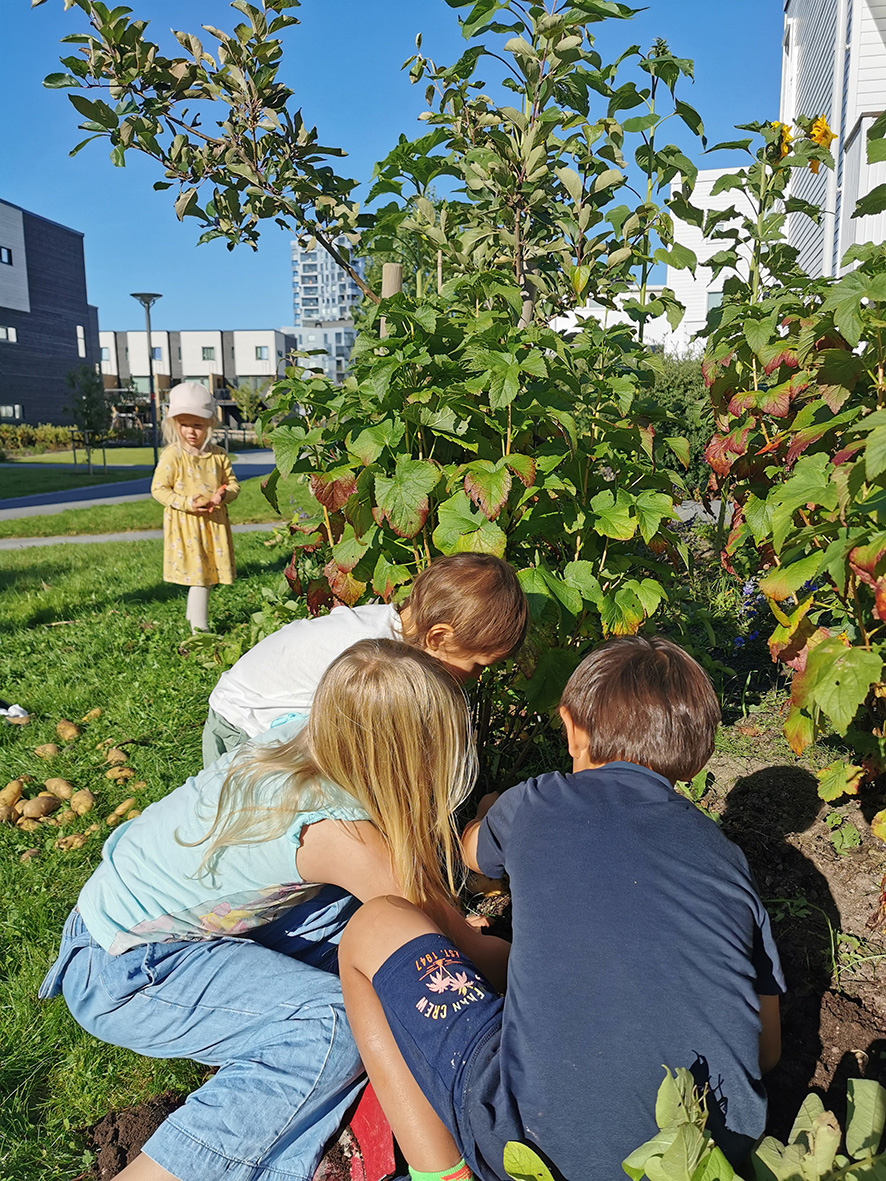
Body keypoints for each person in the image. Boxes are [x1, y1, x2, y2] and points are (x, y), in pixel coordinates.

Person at [39, 639, 510, 1181]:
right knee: (333, 1023)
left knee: (361, 932)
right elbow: (459, 952)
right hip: (125, 968)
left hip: (122, 918)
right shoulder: (342, 838)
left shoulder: (305, 737)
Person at [338, 635, 784, 1181]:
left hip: (536, 1145)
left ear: (572, 726)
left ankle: (444, 1172)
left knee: (373, 925)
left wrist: (491, 812)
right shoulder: (728, 860)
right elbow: (765, 1051)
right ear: (693, 758)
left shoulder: (536, 801)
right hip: (706, 1152)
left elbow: (471, 852)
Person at [202, 552, 529, 768]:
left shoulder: (400, 636)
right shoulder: (375, 656)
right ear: (438, 638)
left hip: (284, 718)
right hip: (245, 725)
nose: (477, 677)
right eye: (478, 666)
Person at [150, 381, 239, 634]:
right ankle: (200, 629)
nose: (191, 431)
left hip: (213, 526)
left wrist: (222, 497)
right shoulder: (173, 455)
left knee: (206, 576)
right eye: (184, 425)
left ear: (209, 425)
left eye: (198, 425)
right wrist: (186, 502)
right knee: (200, 578)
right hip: (187, 529)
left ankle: (194, 619)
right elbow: (159, 489)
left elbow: (232, 485)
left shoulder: (218, 455)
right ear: (174, 425)